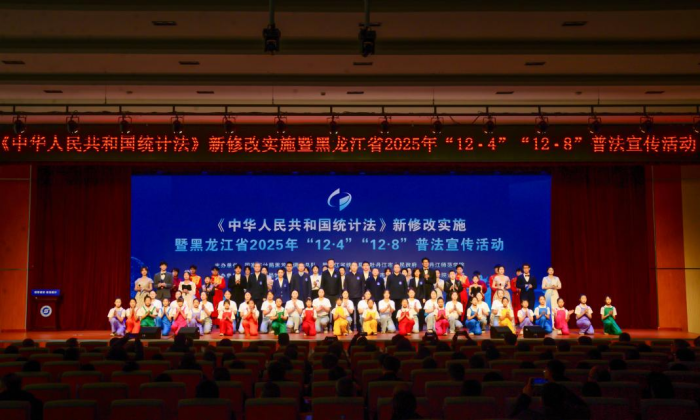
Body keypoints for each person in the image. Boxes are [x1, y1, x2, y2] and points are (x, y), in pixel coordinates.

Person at [346, 262, 364, 330]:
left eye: (355, 265)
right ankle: (351, 326)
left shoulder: (361, 274)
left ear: (357, 267)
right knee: (351, 312)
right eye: (352, 265)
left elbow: (363, 286)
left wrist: (363, 295)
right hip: (350, 296)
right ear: (350, 267)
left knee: (358, 312)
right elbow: (345, 286)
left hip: (359, 296)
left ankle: (359, 326)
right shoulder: (347, 275)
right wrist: (346, 295)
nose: (354, 267)